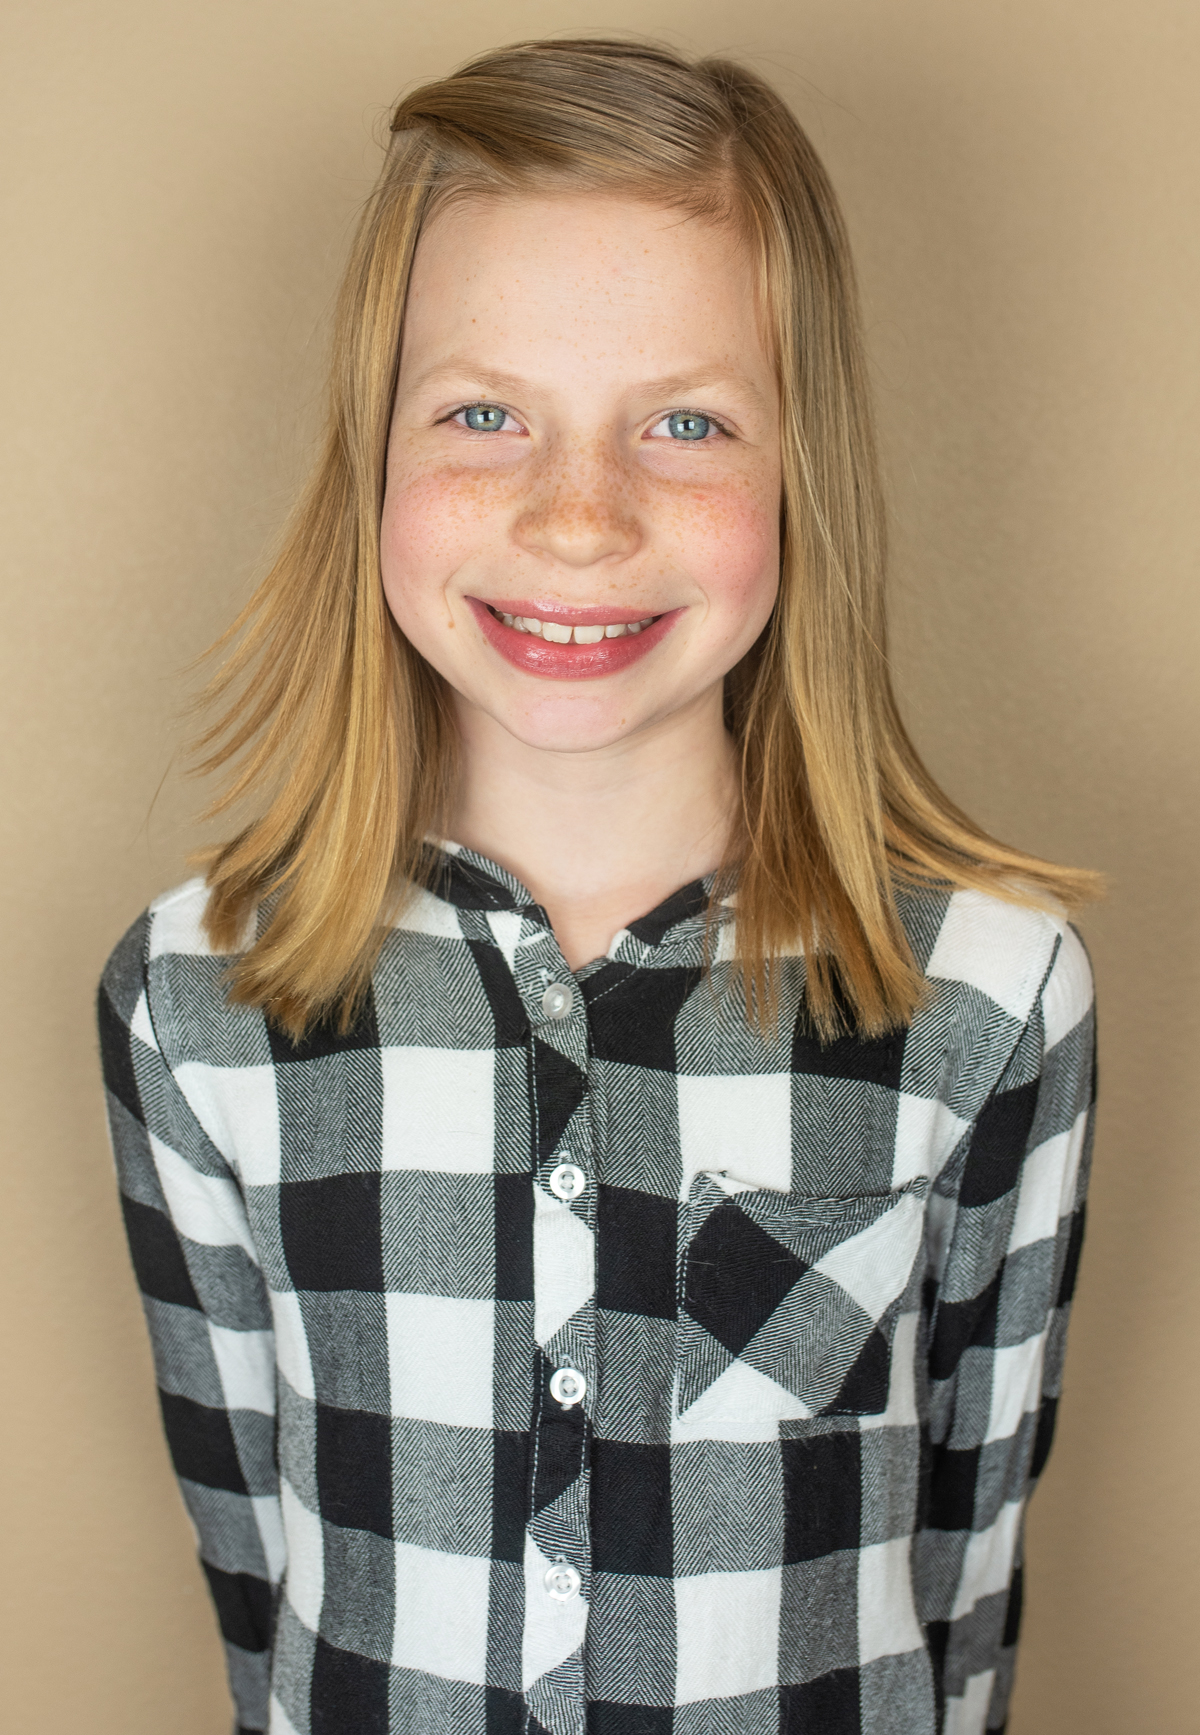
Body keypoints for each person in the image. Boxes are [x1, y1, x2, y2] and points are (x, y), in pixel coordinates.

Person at [97, 37, 1098, 1735]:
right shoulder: (197, 998)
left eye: (686, 423)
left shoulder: (991, 998)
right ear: (373, 453)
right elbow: (254, 1563)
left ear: (800, 469)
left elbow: (967, 1561)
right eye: (484, 415)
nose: (580, 518)